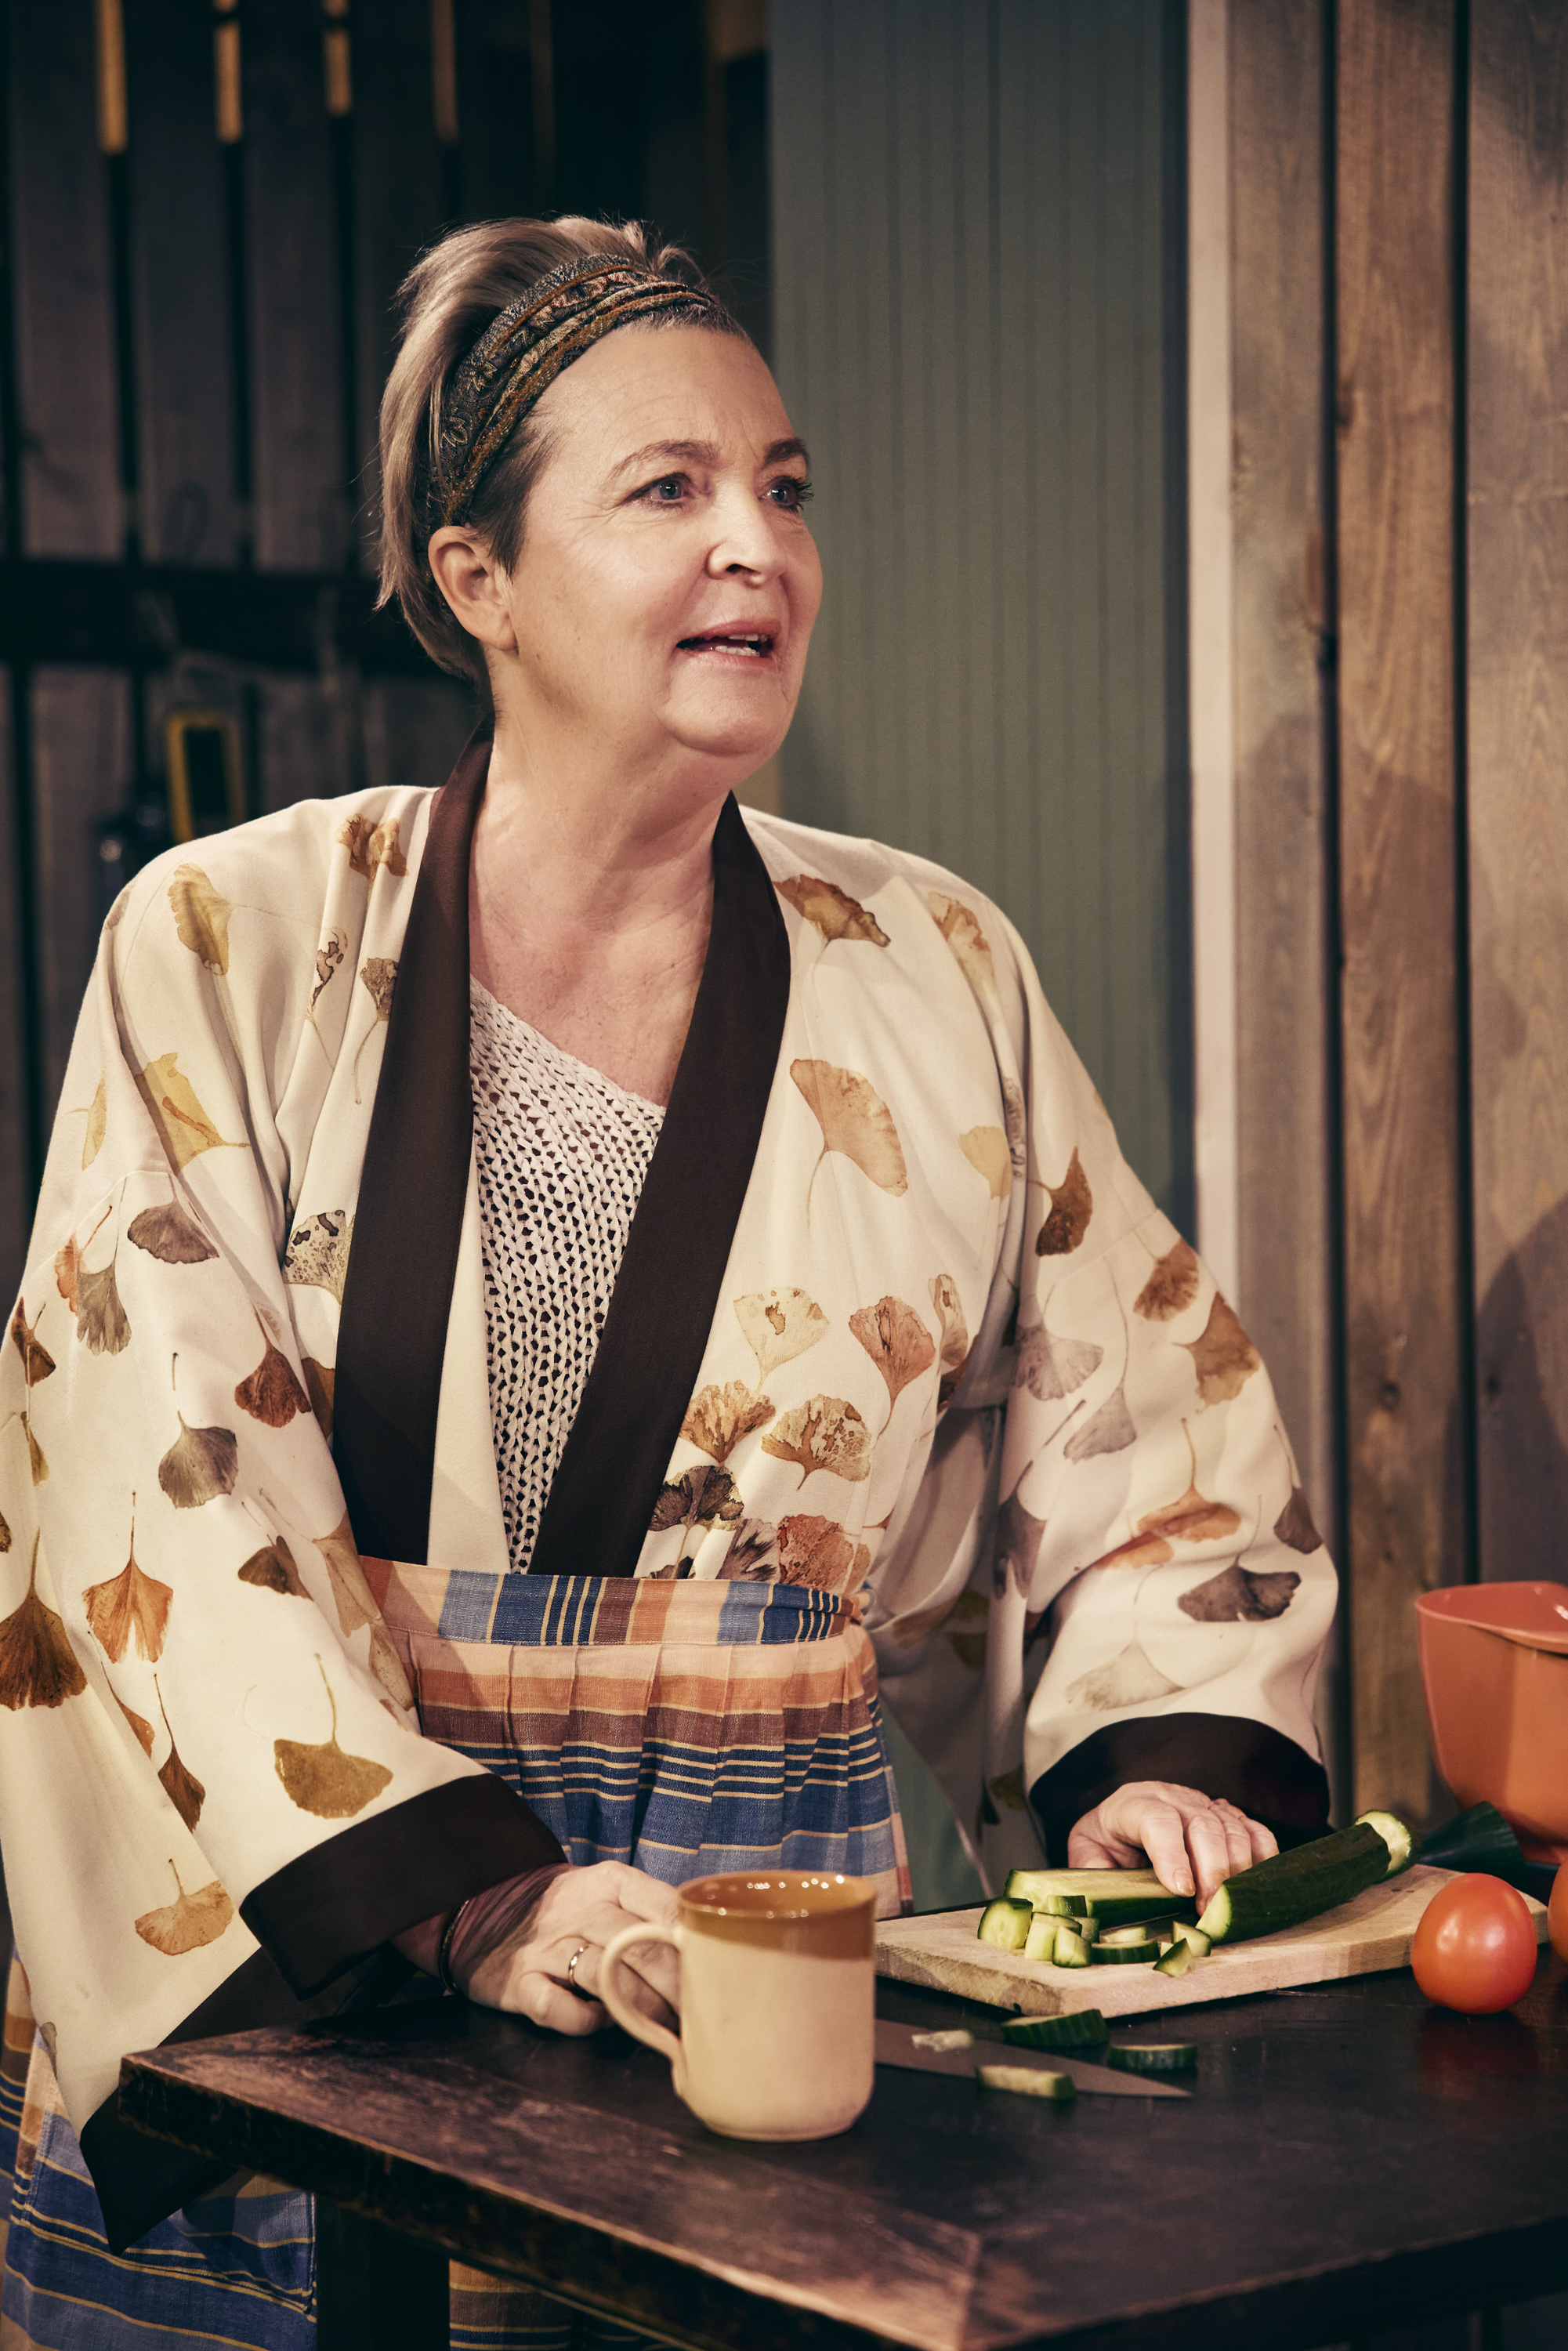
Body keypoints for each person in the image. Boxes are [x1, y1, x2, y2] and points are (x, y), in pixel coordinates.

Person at [0, 217, 1334, 2349]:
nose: (756, 547)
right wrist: (469, 1896)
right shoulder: (226, 942)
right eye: (668, 490)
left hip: (761, 1964)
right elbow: (139, 1485)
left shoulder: (934, 965)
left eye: (783, 488)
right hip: (348, 1957)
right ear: (477, 582)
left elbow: (1141, 1418)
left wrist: (1149, 1747)